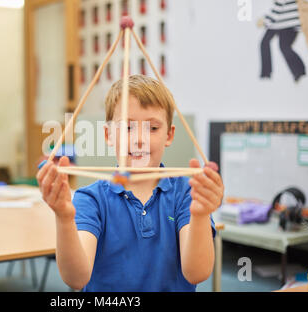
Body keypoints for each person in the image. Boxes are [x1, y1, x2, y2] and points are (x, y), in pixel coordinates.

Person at [36, 75, 224, 291]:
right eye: (127, 128)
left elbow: (196, 273)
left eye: (152, 128)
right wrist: (64, 218)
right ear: (108, 135)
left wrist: (200, 215)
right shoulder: (90, 199)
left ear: (169, 135)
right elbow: (76, 279)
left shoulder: (187, 193)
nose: (139, 140)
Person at [258, 0, 306, 82]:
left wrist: (264, 21)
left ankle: (298, 71)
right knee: (283, 47)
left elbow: (275, 12)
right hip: (283, 24)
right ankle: (299, 71)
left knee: (278, 46)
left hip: (286, 25)